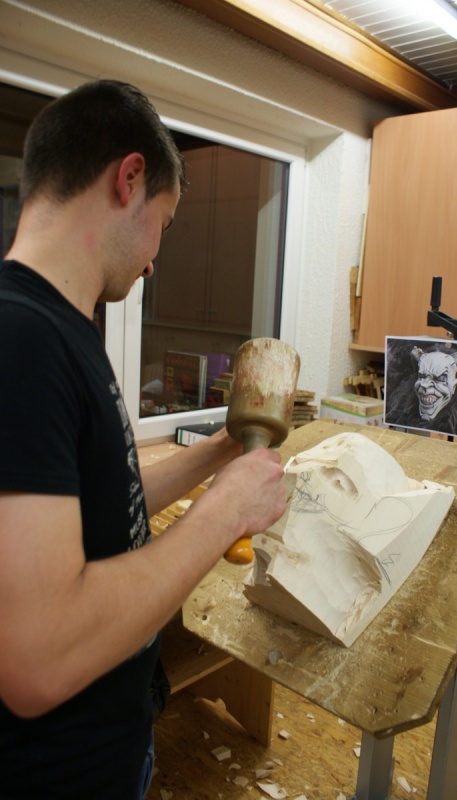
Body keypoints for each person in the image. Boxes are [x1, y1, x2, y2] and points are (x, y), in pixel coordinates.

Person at [0, 80, 287, 800]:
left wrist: (220, 453)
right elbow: (36, 658)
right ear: (129, 179)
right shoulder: (20, 339)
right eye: (164, 221)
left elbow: (106, 502)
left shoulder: (64, 328)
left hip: (114, 741)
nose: (156, 258)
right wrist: (226, 512)